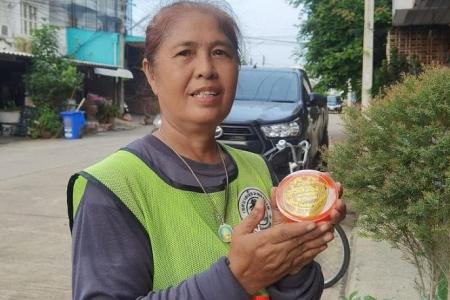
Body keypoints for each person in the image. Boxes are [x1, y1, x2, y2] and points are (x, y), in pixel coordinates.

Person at [67, 1, 347, 299]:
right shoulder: (114, 187)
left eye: (220, 52)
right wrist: (235, 280)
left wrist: (294, 262)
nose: (206, 69)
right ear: (151, 73)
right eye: (185, 53)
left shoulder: (256, 167)